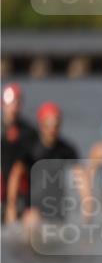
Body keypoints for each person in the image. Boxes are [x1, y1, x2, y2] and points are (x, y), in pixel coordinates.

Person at [5, 102, 84, 230]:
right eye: (48, 125)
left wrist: (87, 204)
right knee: (33, 225)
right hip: (32, 206)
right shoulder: (29, 147)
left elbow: (81, 175)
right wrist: (11, 206)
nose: (52, 129)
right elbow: (16, 174)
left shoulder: (66, 149)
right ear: (41, 124)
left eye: (56, 125)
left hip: (57, 207)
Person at [1, 83, 38, 224]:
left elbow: (28, 165)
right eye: (10, 102)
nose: (14, 107)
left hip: (21, 189)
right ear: (2, 104)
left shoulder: (29, 132)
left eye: (17, 102)